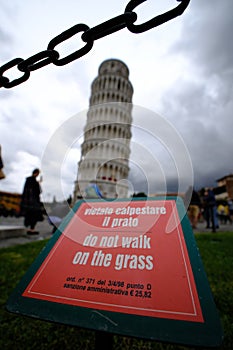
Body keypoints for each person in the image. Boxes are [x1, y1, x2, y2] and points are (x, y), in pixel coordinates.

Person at [20, 168, 43, 234]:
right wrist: (38, 184)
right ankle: (32, 229)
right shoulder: (34, 181)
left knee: (30, 214)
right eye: (38, 173)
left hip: (28, 201)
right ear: (36, 173)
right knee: (35, 214)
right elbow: (38, 191)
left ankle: (31, 228)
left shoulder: (29, 180)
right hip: (33, 201)